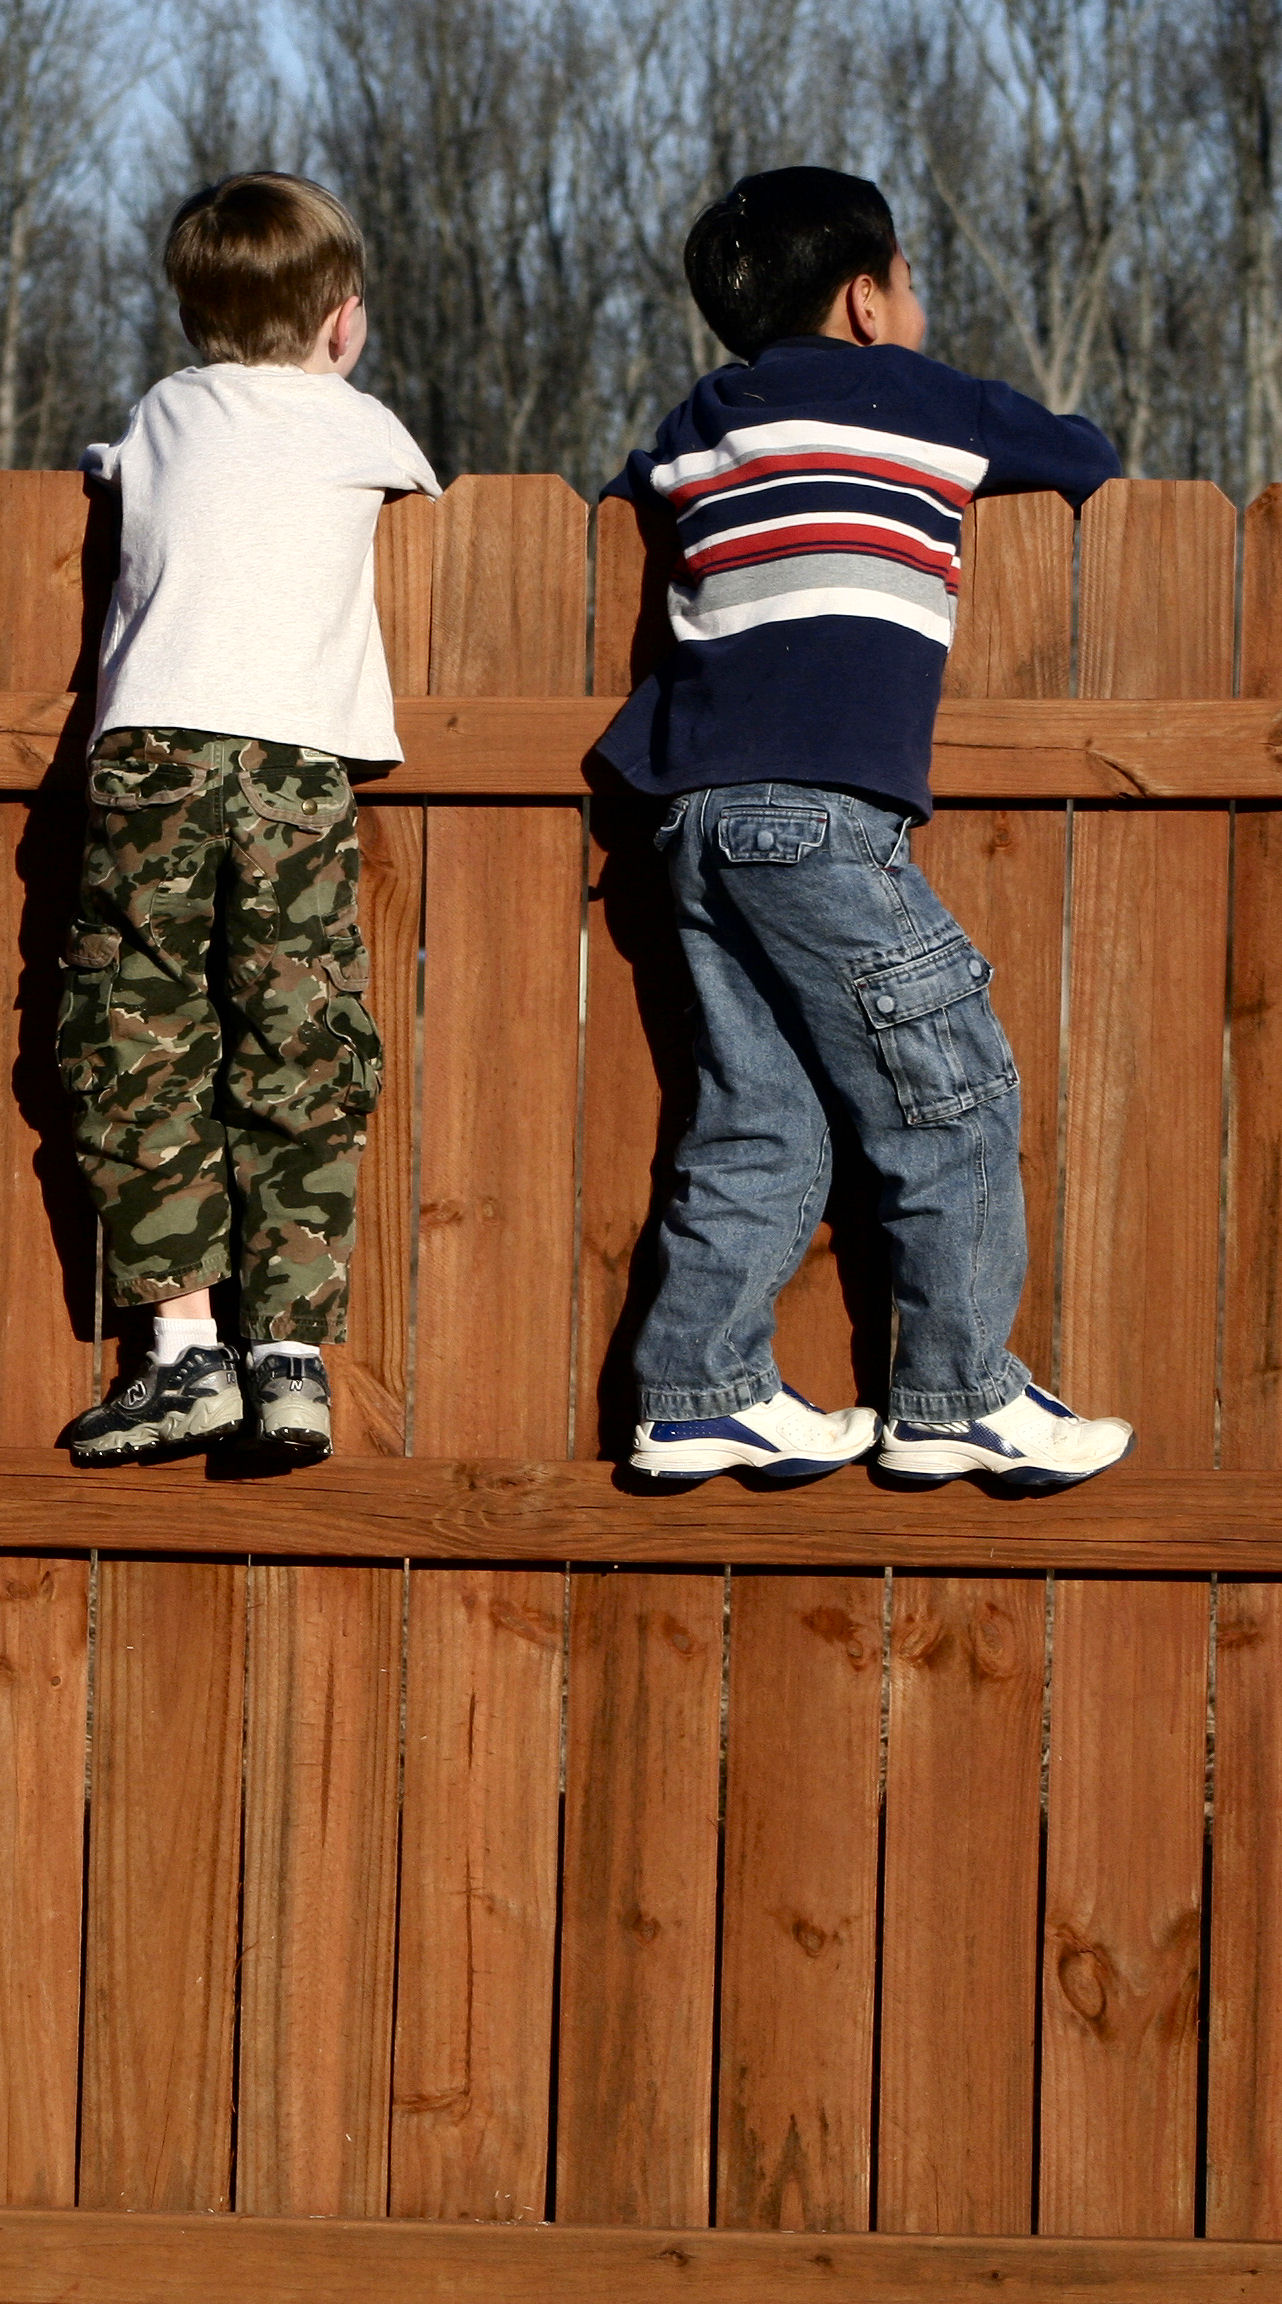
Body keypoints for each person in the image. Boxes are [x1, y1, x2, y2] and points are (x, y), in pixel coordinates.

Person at [602, 166, 1132, 1489]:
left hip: (688, 822)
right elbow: (1085, 458)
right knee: (951, 1098)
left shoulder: (702, 419)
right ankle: (954, 1395)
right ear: (865, 298)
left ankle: (696, 1388)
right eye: (906, 280)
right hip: (815, 816)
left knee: (757, 1119)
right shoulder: (920, 398)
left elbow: (627, 494)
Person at [57, 170, 440, 1468]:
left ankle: (180, 1351)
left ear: (188, 320)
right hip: (291, 765)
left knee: (138, 1028)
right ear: (343, 321)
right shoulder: (365, 428)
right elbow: (405, 480)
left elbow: (110, 475)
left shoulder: (161, 415)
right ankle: (288, 1354)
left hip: (154, 753)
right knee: (301, 1031)